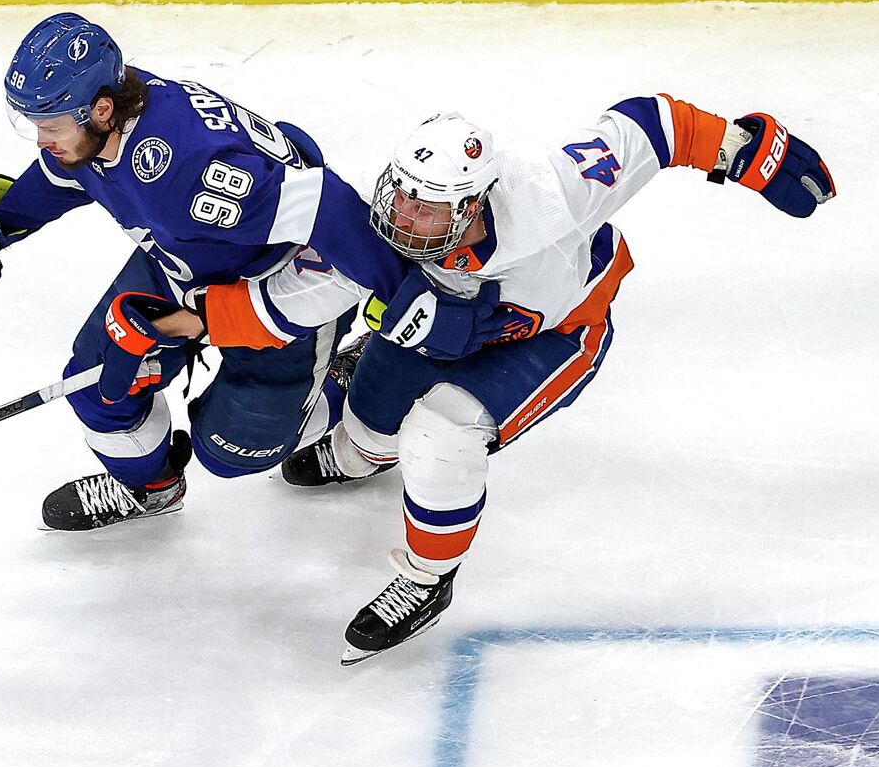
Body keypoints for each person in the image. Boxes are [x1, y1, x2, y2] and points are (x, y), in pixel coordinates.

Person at [269, 100, 836, 664]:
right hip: (439, 325)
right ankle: (360, 455)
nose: (404, 219)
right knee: (367, 420)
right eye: (403, 193)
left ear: (472, 206)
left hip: (554, 334)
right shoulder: (387, 219)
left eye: (430, 208)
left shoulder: (552, 191)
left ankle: (427, 579)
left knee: (440, 434)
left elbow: (655, 125)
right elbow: (308, 290)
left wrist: (745, 151)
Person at [0, 12, 410, 531]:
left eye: (50, 127)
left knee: (234, 452)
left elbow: (327, 205)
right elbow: (70, 175)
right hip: (182, 266)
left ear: (102, 110)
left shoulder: (186, 171)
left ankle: (353, 378)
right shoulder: (106, 119)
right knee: (96, 383)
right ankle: (151, 489)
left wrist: (404, 297)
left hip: (274, 286)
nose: (42, 141)